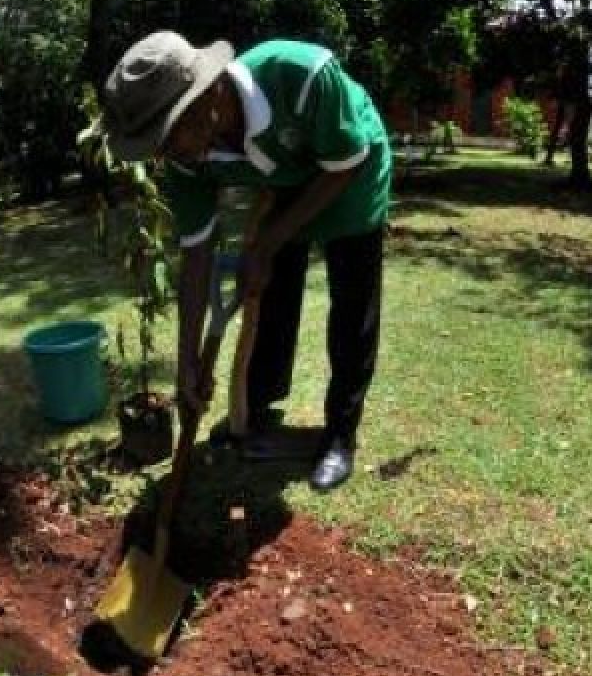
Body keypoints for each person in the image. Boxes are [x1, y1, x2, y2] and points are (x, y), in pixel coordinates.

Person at [102, 32, 390, 492]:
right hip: (284, 182)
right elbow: (197, 252)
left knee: (353, 306)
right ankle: (257, 409)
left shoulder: (300, 75)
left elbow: (345, 162)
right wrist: (187, 365)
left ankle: (340, 433)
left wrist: (269, 239)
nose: (165, 153)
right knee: (271, 294)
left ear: (210, 94)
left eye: (169, 133)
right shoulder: (185, 157)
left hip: (348, 172)